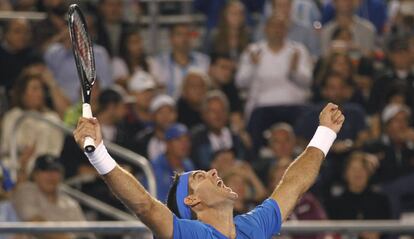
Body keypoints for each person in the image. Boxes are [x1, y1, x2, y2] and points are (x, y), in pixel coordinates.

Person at [73, 102, 344, 239]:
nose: (214, 171)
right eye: (200, 176)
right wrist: (99, 154)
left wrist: (324, 134)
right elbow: (145, 206)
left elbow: (293, 185)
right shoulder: (190, 234)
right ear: (192, 201)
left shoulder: (252, 226)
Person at [11, 155, 88, 239]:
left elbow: (85, 232)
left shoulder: (69, 203)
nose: (51, 176)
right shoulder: (26, 191)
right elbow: (34, 223)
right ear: (35, 175)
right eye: (45, 170)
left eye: (55, 171)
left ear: (61, 176)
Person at [151, 23, 210, 98]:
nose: (184, 39)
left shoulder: (203, 61)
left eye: (188, 34)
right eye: (180, 34)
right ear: (171, 38)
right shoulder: (158, 63)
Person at [152, 123, 194, 202]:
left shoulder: (188, 164)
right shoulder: (156, 167)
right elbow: (159, 200)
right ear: (168, 144)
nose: (184, 144)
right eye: (178, 140)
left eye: (187, 140)